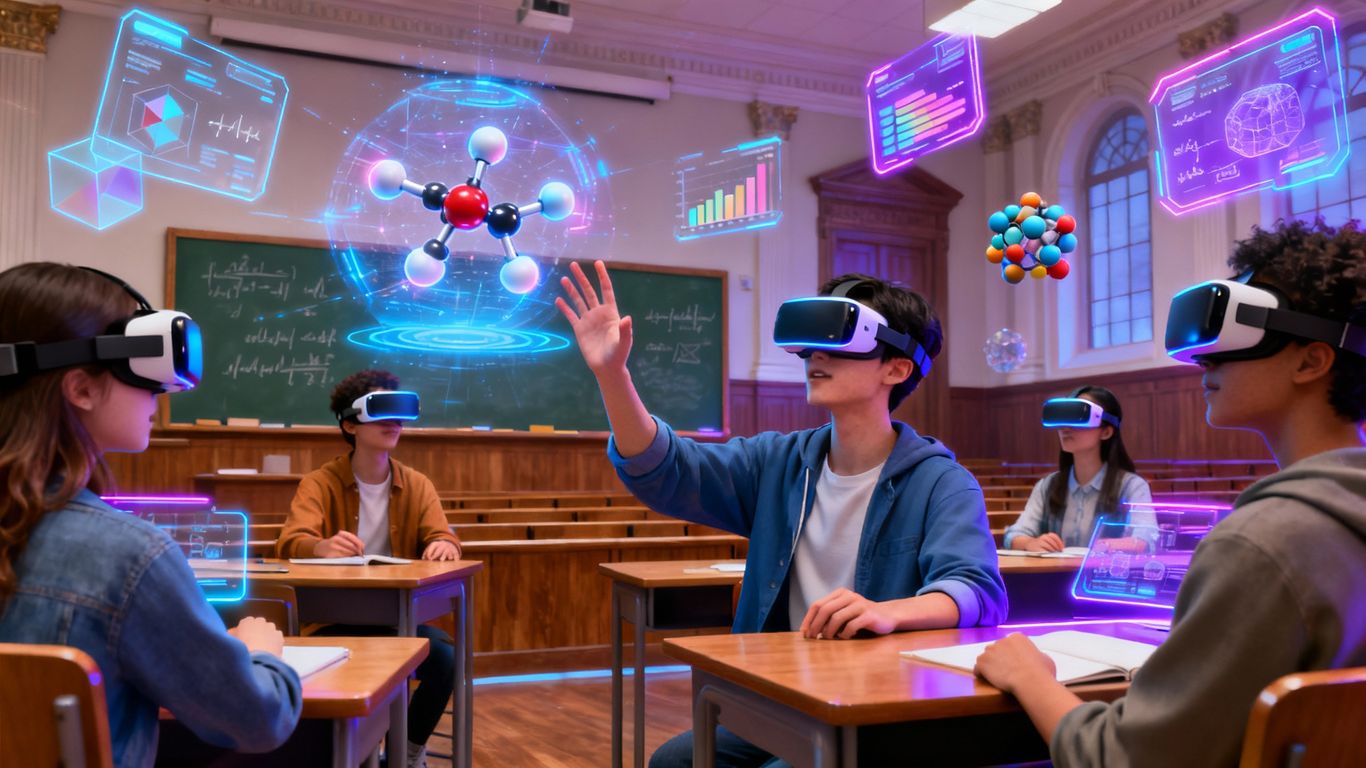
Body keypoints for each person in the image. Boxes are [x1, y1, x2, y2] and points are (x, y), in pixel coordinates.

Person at [557, 262, 1006, 768]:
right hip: (782, 694)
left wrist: (890, 611)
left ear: (896, 368)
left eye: (838, 342)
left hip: (879, 706)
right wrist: (612, 375)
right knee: (674, 762)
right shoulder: (778, 463)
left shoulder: (940, 482)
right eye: (810, 345)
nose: (815, 356)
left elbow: (978, 590)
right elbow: (669, 471)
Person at [975, 219, 1366, 767]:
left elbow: (1125, 758)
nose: (1202, 360)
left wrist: (1028, 674)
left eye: (1235, 339)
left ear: (1311, 360)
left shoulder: (1264, 543)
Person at [0, 263, 301, 767]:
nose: (161, 394)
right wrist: (258, 653)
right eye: (142, 371)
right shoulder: (128, 557)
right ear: (82, 388)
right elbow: (257, 718)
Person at [276, 369, 461, 768]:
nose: (394, 422)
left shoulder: (418, 484)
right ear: (350, 424)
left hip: (399, 618)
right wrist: (319, 546)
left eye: (400, 413)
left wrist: (444, 542)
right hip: (332, 620)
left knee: (447, 658)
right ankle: (352, 750)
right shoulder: (319, 483)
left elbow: (440, 534)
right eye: (382, 412)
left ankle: (406, 752)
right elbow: (291, 542)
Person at [1003, 386, 1156, 553]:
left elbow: (1146, 539)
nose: (1065, 428)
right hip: (1055, 576)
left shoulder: (1132, 486)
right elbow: (1014, 534)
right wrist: (1030, 543)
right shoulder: (1047, 486)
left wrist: (1105, 547)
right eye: (1064, 419)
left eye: (1079, 418)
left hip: (1105, 577)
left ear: (1106, 432)